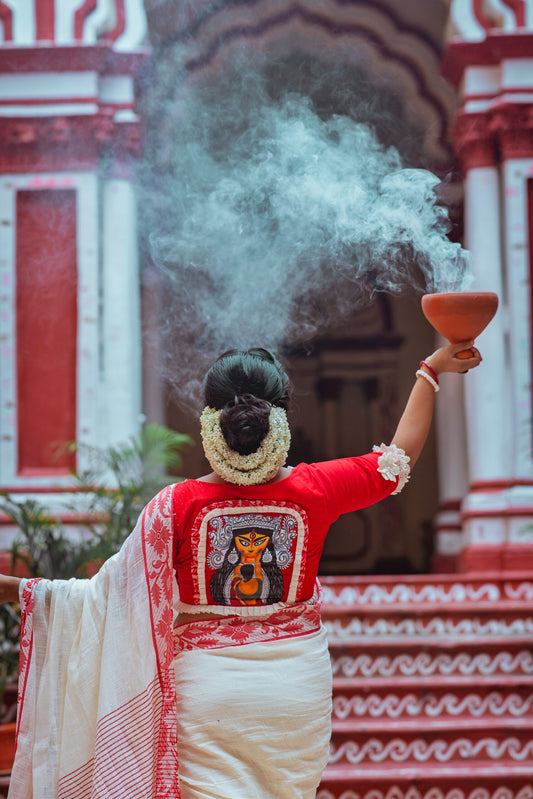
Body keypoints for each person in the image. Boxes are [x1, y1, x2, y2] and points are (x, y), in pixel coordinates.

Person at [0, 340, 482, 799]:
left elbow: (102, 598)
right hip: (294, 693)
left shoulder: (176, 505)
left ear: (212, 420)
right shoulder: (316, 488)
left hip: (207, 696)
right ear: (281, 416)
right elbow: (396, 464)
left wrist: (19, 589)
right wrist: (430, 371)